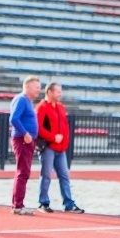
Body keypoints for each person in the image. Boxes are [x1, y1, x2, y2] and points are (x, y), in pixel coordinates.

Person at [36, 83, 85, 214]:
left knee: (65, 176)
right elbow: (38, 128)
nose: (60, 94)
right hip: (48, 147)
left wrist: (65, 142)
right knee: (46, 175)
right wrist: (52, 137)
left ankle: (69, 204)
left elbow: (64, 126)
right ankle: (43, 203)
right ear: (50, 92)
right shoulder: (42, 107)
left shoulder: (61, 107)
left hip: (60, 148)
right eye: (58, 91)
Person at [10, 75, 41, 216]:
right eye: (36, 87)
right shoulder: (22, 99)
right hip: (22, 140)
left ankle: (17, 204)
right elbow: (14, 118)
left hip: (27, 140)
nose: (38, 91)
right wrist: (25, 133)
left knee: (23, 172)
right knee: (23, 172)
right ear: (27, 86)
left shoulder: (28, 101)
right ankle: (18, 205)